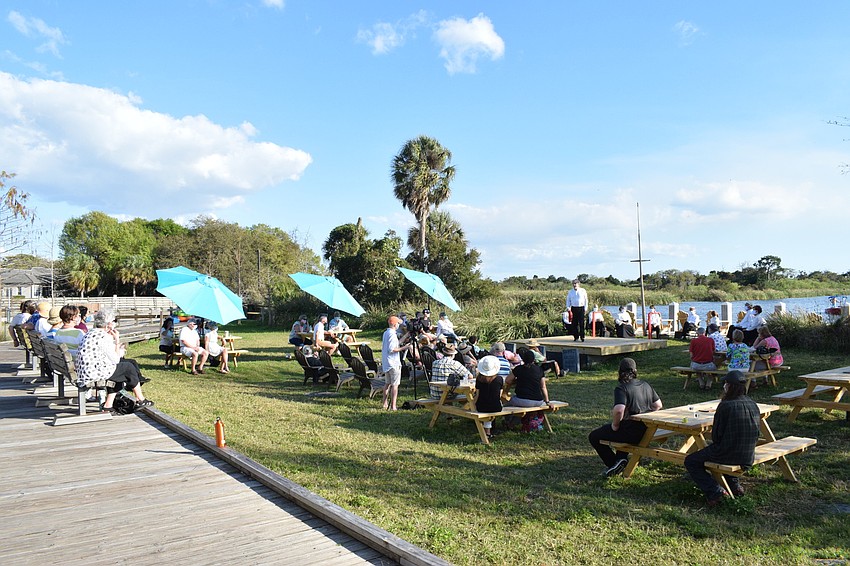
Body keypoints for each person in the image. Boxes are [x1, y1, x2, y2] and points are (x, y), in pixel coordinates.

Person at [684, 370, 760, 506]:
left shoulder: (725, 406)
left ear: (730, 386)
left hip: (727, 453)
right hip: (748, 454)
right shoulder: (752, 404)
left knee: (691, 460)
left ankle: (715, 491)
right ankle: (734, 485)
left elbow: (716, 436)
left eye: (725, 383)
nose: (724, 386)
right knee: (730, 447)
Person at [588, 357, 662, 477]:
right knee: (619, 432)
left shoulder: (622, 388)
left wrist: (615, 425)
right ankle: (620, 459)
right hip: (647, 430)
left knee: (594, 436)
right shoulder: (645, 385)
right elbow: (658, 405)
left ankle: (614, 463)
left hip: (631, 433)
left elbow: (618, 410)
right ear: (635, 371)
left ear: (620, 372)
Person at [75, 307, 153, 414]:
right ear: (108, 324)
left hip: (87, 371)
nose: (115, 323)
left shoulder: (90, 333)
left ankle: (108, 405)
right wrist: (117, 341)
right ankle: (140, 399)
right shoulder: (104, 336)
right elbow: (116, 359)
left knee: (128, 364)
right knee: (127, 368)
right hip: (93, 373)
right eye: (114, 321)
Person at [382, 315, 412, 411]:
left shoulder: (387, 333)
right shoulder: (391, 334)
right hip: (393, 363)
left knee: (387, 383)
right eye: (398, 323)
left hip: (387, 362)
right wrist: (405, 347)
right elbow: (393, 349)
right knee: (394, 385)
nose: (399, 325)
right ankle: (393, 406)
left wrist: (406, 335)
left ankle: (384, 403)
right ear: (395, 324)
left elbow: (396, 343)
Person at [473, 356, 504, 440]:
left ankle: (487, 432)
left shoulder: (479, 379)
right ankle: (488, 432)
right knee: (491, 405)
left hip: (481, 406)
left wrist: (472, 405)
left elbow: (477, 395)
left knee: (484, 405)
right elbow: (499, 395)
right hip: (496, 406)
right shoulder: (499, 379)